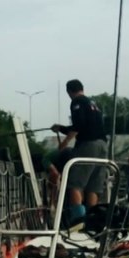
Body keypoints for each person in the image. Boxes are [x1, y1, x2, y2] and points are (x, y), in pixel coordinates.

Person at [50, 79, 107, 209]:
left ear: (69, 91)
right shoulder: (92, 103)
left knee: (74, 183)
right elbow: (86, 125)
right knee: (93, 185)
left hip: (88, 145)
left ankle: (78, 219)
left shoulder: (76, 102)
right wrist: (61, 128)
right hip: (102, 145)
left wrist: (64, 142)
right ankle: (92, 217)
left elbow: (78, 126)